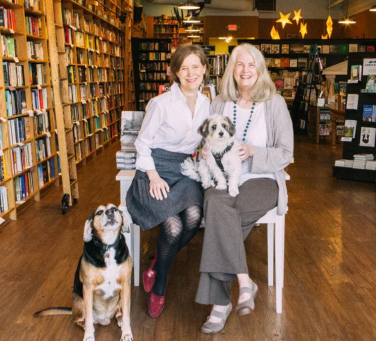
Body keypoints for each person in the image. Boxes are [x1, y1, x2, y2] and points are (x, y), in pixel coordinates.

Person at [197, 44, 294, 334]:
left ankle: (219, 304)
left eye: (252, 64)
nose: (246, 70)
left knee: (219, 216)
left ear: (260, 69)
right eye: (240, 64)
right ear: (232, 70)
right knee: (216, 204)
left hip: (263, 179)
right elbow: (205, 140)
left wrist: (253, 151)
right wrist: (204, 152)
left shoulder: (274, 103)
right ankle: (243, 281)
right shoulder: (219, 103)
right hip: (225, 179)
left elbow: (286, 153)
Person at [125, 44, 210, 318]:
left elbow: (202, 140)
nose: (190, 73)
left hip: (184, 168)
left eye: (195, 66)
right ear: (174, 72)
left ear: (205, 70)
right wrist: (152, 176)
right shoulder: (160, 103)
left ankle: (157, 264)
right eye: (183, 67)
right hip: (156, 168)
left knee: (194, 217)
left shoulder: (207, 103)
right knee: (173, 228)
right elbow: (142, 144)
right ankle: (160, 284)